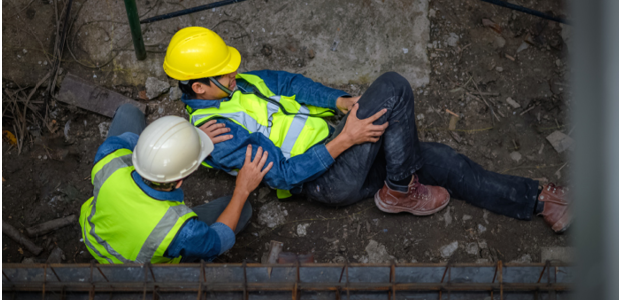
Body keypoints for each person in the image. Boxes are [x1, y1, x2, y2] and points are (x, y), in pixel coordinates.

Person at [162, 27, 570, 233]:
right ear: (200, 87)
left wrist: (340, 102)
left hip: (339, 144)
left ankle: (536, 200)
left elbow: (287, 83)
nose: (236, 72)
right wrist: (346, 139)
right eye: (225, 73)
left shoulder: (239, 83)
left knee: (442, 159)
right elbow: (283, 175)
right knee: (393, 86)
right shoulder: (217, 133)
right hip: (324, 180)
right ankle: (398, 189)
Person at [78, 104, 272, 264]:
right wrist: (242, 189)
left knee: (128, 112)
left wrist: (186, 141)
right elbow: (218, 241)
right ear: (179, 182)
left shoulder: (109, 156)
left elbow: (144, 148)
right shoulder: (180, 230)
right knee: (243, 209)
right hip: (136, 271)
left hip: (93, 237)